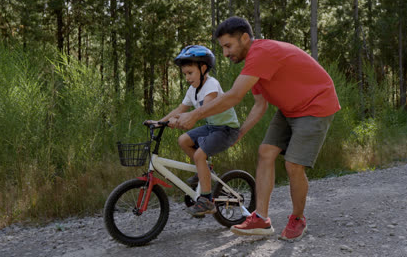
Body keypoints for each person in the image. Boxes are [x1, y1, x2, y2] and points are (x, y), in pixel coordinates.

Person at [173, 17, 340, 241]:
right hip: (290, 108)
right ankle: (261, 219)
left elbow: (233, 96)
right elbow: (260, 105)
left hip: (315, 105)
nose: (224, 53)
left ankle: (298, 220)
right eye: (222, 47)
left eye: (228, 46)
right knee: (265, 152)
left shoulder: (262, 53)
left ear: (244, 38)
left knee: (293, 164)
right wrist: (240, 133)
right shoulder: (255, 62)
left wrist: (195, 114)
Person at [146, 45, 240, 217]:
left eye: (190, 73)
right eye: (185, 74)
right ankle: (205, 170)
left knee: (199, 155)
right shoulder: (192, 90)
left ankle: (206, 200)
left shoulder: (211, 84)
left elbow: (206, 107)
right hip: (212, 127)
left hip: (227, 129)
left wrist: (184, 118)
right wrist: (161, 122)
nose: (187, 78)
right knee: (183, 140)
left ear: (203, 69)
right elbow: (180, 109)